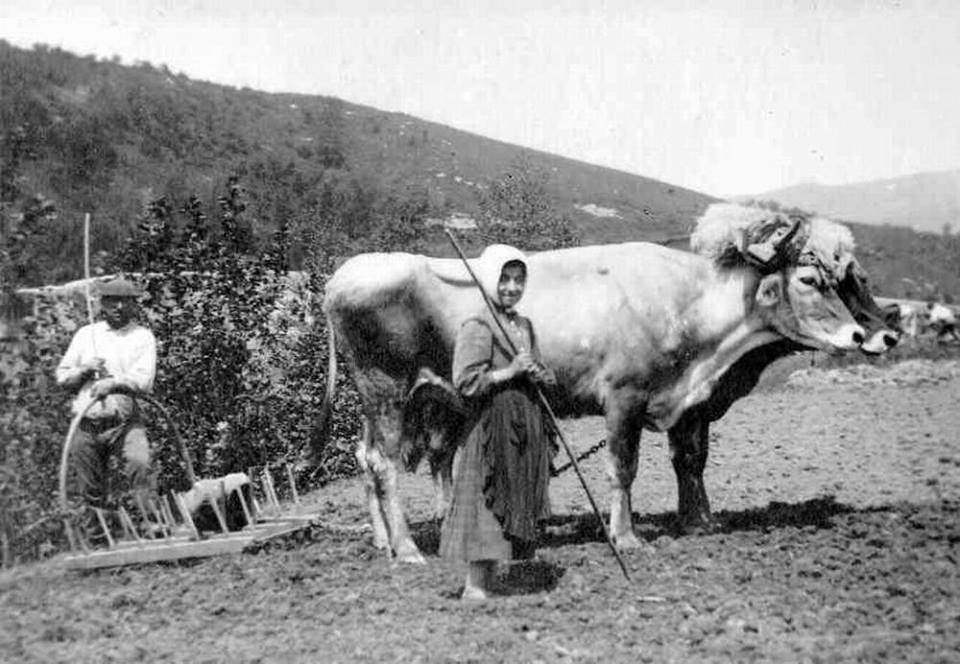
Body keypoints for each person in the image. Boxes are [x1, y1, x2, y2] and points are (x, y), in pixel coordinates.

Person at [439, 246, 556, 600]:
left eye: (519, 280)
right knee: (485, 503)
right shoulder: (478, 324)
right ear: (491, 280)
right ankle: (475, 586)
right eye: (504, 279)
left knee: (512, 496)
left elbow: (539, 369)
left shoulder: (523, 325)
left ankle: (492, 580)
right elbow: (466, 381)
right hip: (490, 426)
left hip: (522, 425)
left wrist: (538, 372)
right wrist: (510, 372)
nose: (511, 287)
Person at [56, 277, 158, 525]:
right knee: (89, 486)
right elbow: (62, 377)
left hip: (124, 421)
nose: (119, 307)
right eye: (113, 301)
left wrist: (114, 383)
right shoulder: (86, 334)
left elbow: (144, 381)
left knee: (139, 465)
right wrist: (84, 370)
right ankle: (99, 540)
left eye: (126, 301)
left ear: (135, 305)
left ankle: (152, 525)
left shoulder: (142, 337)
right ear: (102, 303)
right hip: (87, 422)